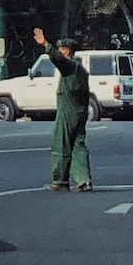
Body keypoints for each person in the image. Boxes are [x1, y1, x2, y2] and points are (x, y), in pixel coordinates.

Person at [33, 28, 93, 192]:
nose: (59, 51)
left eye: (61, 49)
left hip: (68, 111)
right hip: (81, 111)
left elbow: (58, 59)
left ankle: (60, 181)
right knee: (78, 144)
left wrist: (45, 44)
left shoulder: (69, 66)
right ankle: (83, 180)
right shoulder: (81, 69)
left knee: (61, 144)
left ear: (66, 51)